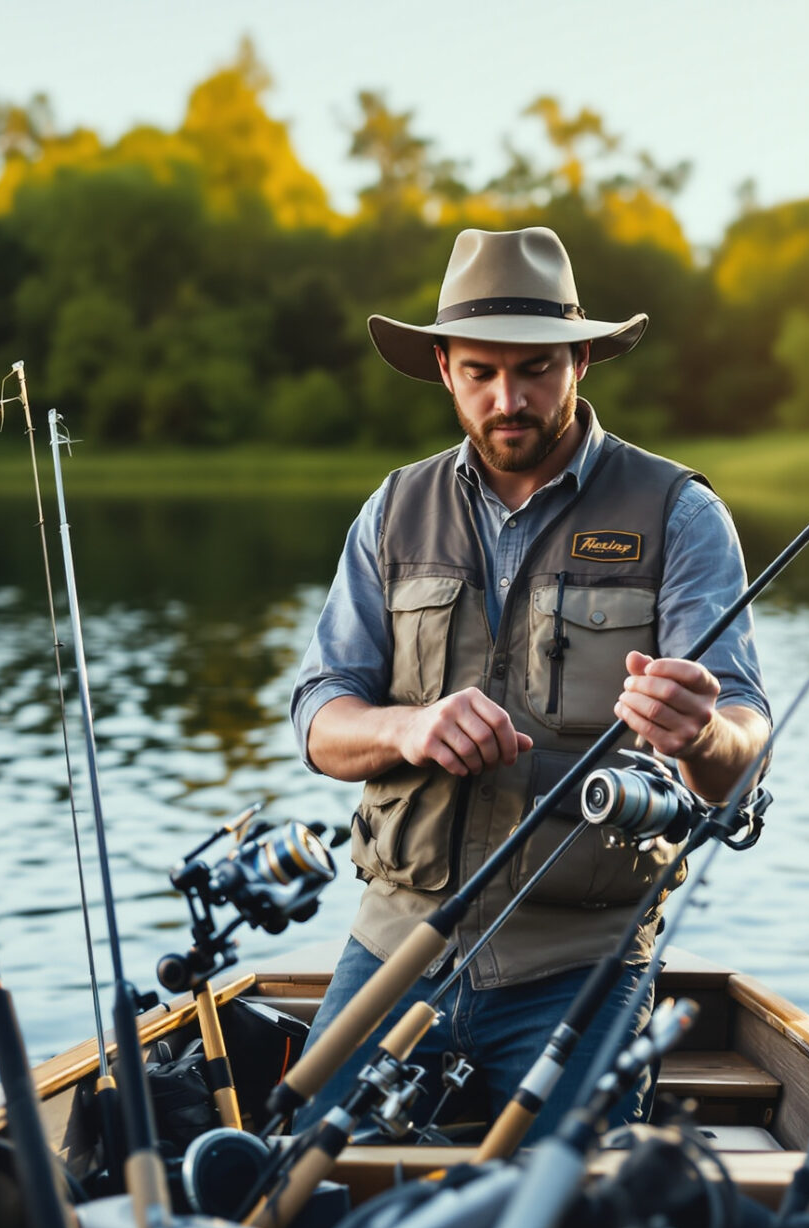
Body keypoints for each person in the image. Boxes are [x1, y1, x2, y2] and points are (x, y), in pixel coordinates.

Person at [288, 226, 771, 1139]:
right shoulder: (391, 512)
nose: (508, 400)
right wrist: (405, 728)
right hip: (394, 946)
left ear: (580, 360)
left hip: (581, 966)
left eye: (536, 370)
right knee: (292, 1176)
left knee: (566, 1205)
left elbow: (742, 748)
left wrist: (704, 734)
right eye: (480, 372)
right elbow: (320, 716)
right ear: (443, 368)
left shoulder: (680, 513)